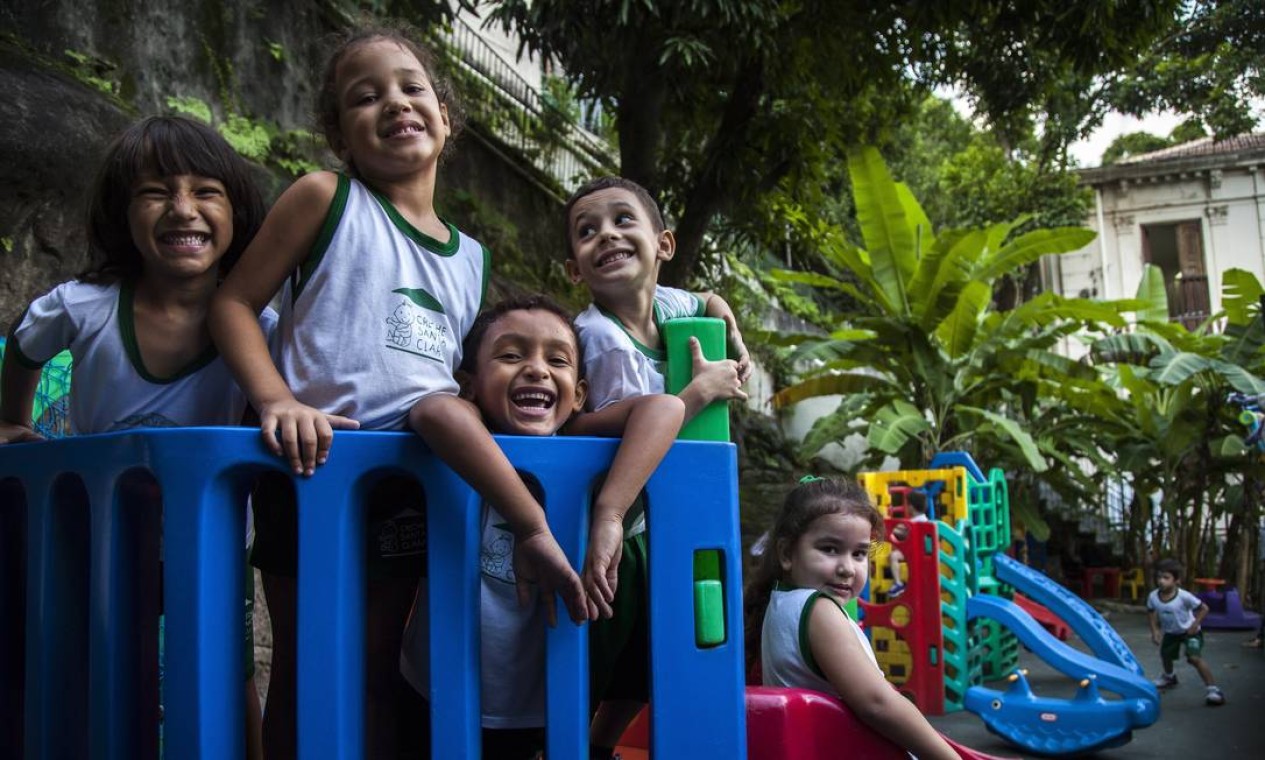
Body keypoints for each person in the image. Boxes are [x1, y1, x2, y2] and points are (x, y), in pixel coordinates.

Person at [208, 24, 587, 758]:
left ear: (445, 114)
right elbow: (233, 304)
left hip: (413, 480)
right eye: (365, 96)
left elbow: (457, 375)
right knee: (304, 662)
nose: (394, 103)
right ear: (339, 131)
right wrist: (275, 398)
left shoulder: (469, 257)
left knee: (380, 668)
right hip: (312, 466)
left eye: (412, 87)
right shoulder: (325, 198)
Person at [0, 115, 269, 759]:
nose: (182, 209)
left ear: (237, 211)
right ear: (122, 214)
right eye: (154, 192)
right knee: (104, 660)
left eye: (206, 190)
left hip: (208, 540)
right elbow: (25, 351)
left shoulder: (264, 321)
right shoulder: (83, 306)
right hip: (100, 533)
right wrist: (13, 416)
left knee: (227, 668)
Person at [399, 294, 685, 759]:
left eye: (557, 359)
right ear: (469, 385)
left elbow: (665, 408)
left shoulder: (574, 440)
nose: (536, 369)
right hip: (435, 690)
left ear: (579, 395)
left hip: (541, 705)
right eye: (511, 355)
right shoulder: (469, 435)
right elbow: (434, 412)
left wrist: (611, 513)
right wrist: (532, 528)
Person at [562, 175, 751, 756]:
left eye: (624, 221)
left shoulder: (669, 306)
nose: (607, 236)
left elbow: (708, 300)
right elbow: (636, 427)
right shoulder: (600, 337)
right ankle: (567, 741)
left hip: (662, 523)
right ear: (575, 270)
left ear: (663, 244)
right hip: (609, 513)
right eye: (587, 231)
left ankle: (598, 745)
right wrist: (699, 389)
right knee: (598, 650)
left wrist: (733, 331)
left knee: (646, 659)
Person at [742, 476, 957, 759]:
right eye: (829, 549)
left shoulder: (780, 601)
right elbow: (876, 702)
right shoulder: (818, 610)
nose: (847, 568)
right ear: (786, 553)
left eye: (859, 554)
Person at [1147, 558, 1226, 705]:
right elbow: (1151, 612)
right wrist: (1155, 631)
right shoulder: (1153, 596)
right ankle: (1169, 677)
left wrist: (1195, 624)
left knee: (1193, 658)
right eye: (1159, 577)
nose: (1161, 581)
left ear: (1176, 580)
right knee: (1166, 655)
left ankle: (1214, 690)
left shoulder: (1184, 596)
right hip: (1171, 632)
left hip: (1190, 632)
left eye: (1166, 578)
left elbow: (1204, 608)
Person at [886, 489, 930, 599]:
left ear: (911, 506)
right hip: (917, 550)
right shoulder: (922, 519)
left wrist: (890, 529)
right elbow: (902, 530)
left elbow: (902, 531)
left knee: (893, 556)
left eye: (907, 504)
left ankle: (898, 583)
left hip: (916, 551)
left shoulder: (915, 522)